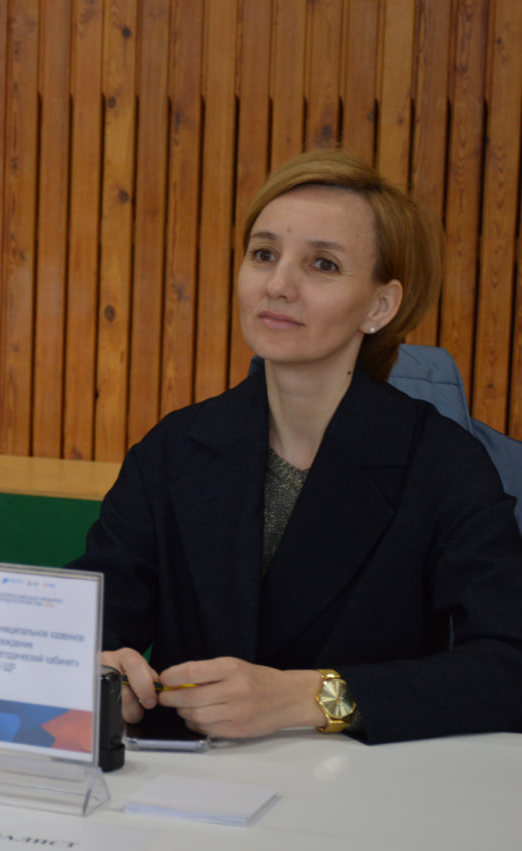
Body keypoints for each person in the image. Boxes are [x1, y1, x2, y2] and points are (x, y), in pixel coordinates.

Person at [69, 149, 522, 743]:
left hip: (365, 786)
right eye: (264, 254)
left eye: (322, 265)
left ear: (381, 306)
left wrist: (313, 696)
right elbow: (89, 623)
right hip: (191, 781)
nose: (278, 285)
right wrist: (98, 668)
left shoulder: (444, 464)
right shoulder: (173, 448)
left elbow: (507, 669)